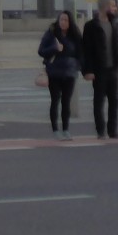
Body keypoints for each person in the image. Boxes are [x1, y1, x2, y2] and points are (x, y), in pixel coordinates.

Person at [82, 0, 118, 139]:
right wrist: (87, 70)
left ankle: (113, 130)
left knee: (115, 100)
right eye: (113, 6)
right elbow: (86, 50)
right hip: (99, 70)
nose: (115, 8)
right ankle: (101, 131)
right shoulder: (91, 26)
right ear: (105, 7)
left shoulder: (115, 24)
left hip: (113, 68)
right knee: (99, 101)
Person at [38, 11, 82, 140]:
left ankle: (66, 129)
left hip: (69, 73)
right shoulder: (51, 33)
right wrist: (54, 48)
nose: (63, 22)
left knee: (66, 102)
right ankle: (56, 130)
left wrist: (78, 67)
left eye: (66, 20)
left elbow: (80, 53)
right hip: (54, 72)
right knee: (55, 100)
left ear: (70, 22)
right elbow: (41, 51)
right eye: (61, 20)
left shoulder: (74, 35)